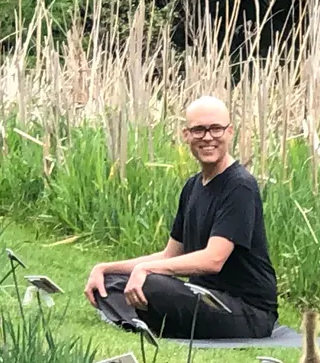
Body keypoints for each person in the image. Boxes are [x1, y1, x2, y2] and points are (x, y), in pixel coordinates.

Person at [84, 95, 279, 339]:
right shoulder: (192, 186)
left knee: (151, 284)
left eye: (216, 129)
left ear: (229, 132)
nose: (208, 137)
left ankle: (142, 317)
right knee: (111, 281)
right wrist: (104, 268)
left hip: (247, 311)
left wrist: (145, 270)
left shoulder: (240, 187)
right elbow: (170, 255)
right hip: (200, 294)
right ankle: (149, 317)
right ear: (186, 135)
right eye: (199, 130)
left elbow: (213, 260)